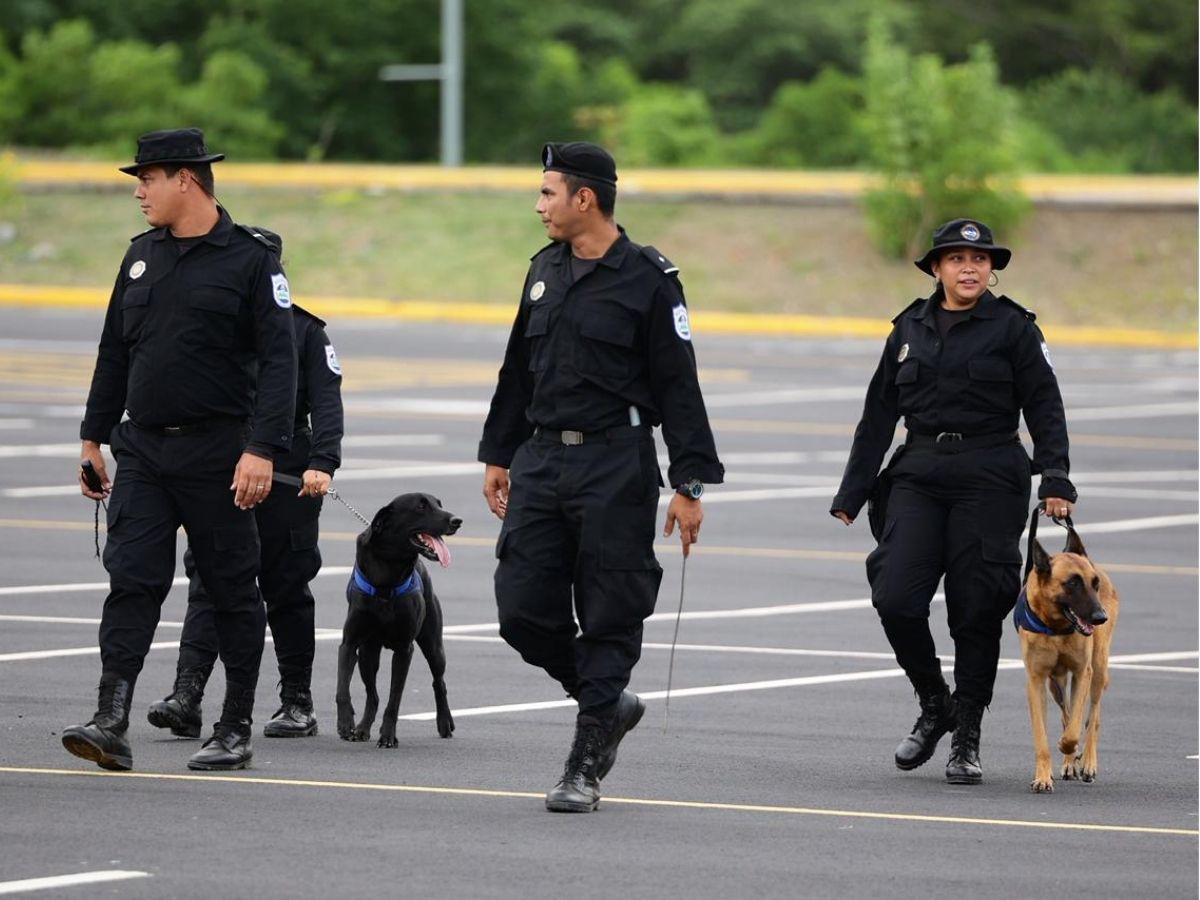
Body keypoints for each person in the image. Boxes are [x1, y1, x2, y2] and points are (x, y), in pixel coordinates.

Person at [478, 142, 724, 813]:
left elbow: (679, 386)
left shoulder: (648, 279)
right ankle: (606, 700)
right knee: (521, 608)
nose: (539, 206)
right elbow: (515, 372)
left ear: (584, 198)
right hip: (541, 458)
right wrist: (498, 454)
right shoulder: (543, 271)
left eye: (548, 193)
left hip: (616, 462)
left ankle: (583, 764)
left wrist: (690, 482)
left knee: (612, 607)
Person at [65, 128, 297, 772]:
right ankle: (111, 719)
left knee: (230, 589)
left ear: (185, 180)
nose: (140, 191)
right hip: (142, 450)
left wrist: (263, 450)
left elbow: (281, 364)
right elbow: (114, 350)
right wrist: (93, 437)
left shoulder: (250, 260)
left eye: (148, 178)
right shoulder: (140, 256)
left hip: (222, 453)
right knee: (131, 580)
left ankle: (234, 725)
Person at [830, 218, 1076, 785]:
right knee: (895, 595)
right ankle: (934, 701)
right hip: (919, 472)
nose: (971, 268)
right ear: (937, 268)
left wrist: (1056, 479)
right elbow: (877, 415)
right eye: (957, 258)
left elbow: (1046, 406)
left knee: (977, 606)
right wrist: (854, 489)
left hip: (991, 474)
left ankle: (966, 733)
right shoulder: (909, 327)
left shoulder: (1014, 328)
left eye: (981, 259)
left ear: (991, 270)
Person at [146, 227, 343, 742]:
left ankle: (296, 701)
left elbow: (326, 402)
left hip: (285, 476)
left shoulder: (304, 331)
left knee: (284, 584)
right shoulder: (213, 329)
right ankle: (187, 696)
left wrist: (323, 462)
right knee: (210, 581)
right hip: (220, 470)